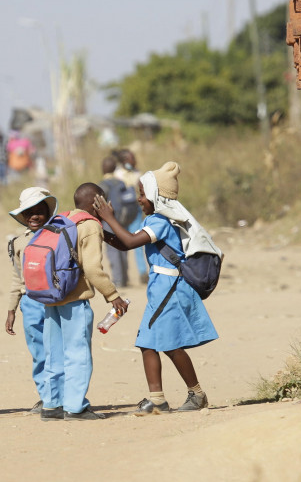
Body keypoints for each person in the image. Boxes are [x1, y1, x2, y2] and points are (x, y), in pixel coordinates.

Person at [93, 162, 217, 416]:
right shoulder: (153, 220)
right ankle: (158, 399)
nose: (139, 199)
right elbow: (125, 244)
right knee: (148, 342)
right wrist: (101, 229)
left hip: (170, 288)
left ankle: (196, 394)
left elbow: (128, 241)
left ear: (155, 196)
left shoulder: (160, 221)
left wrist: (109, 218)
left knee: (167, 344)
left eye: (142, 194)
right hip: (161, 288)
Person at [37, 183, 128, 422]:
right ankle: (76, 407)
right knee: (78, 353)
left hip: (51, 297)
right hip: (75, 300)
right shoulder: (89, 226)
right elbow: (92, 268)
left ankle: (52, 405)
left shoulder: (61, 219)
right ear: (97, 203)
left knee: (54, 353)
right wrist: (113, 295)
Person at [4, 187, 57, 413]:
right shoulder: (18, 243)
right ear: (23, 216)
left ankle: (60, 395)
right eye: (29, 212)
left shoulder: (57, 237)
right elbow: (17, 277)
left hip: (55, 301)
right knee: (38, 351)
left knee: (57, 349)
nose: (34, 216)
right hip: (30, 302)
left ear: (48, 213)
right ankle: (46, 397)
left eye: (39, 211)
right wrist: (12, 308)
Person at [98, 155, 133, 288]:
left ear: (103, 169)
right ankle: (125, 277)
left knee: (113, 249)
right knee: (123, 246)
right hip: (123, 219)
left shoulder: (102, 184)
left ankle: (118, 280)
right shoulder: (121, 182)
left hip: (109, 220)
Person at [114, 149, 148, 284]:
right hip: (122, 213)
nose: (134, 161)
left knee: (137, 241)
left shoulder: (138, 173)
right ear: (125, 161)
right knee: (123, 242)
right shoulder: (118, 175)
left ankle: (142, 273)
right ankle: (124, 275)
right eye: (132, 159)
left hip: (135, 210)